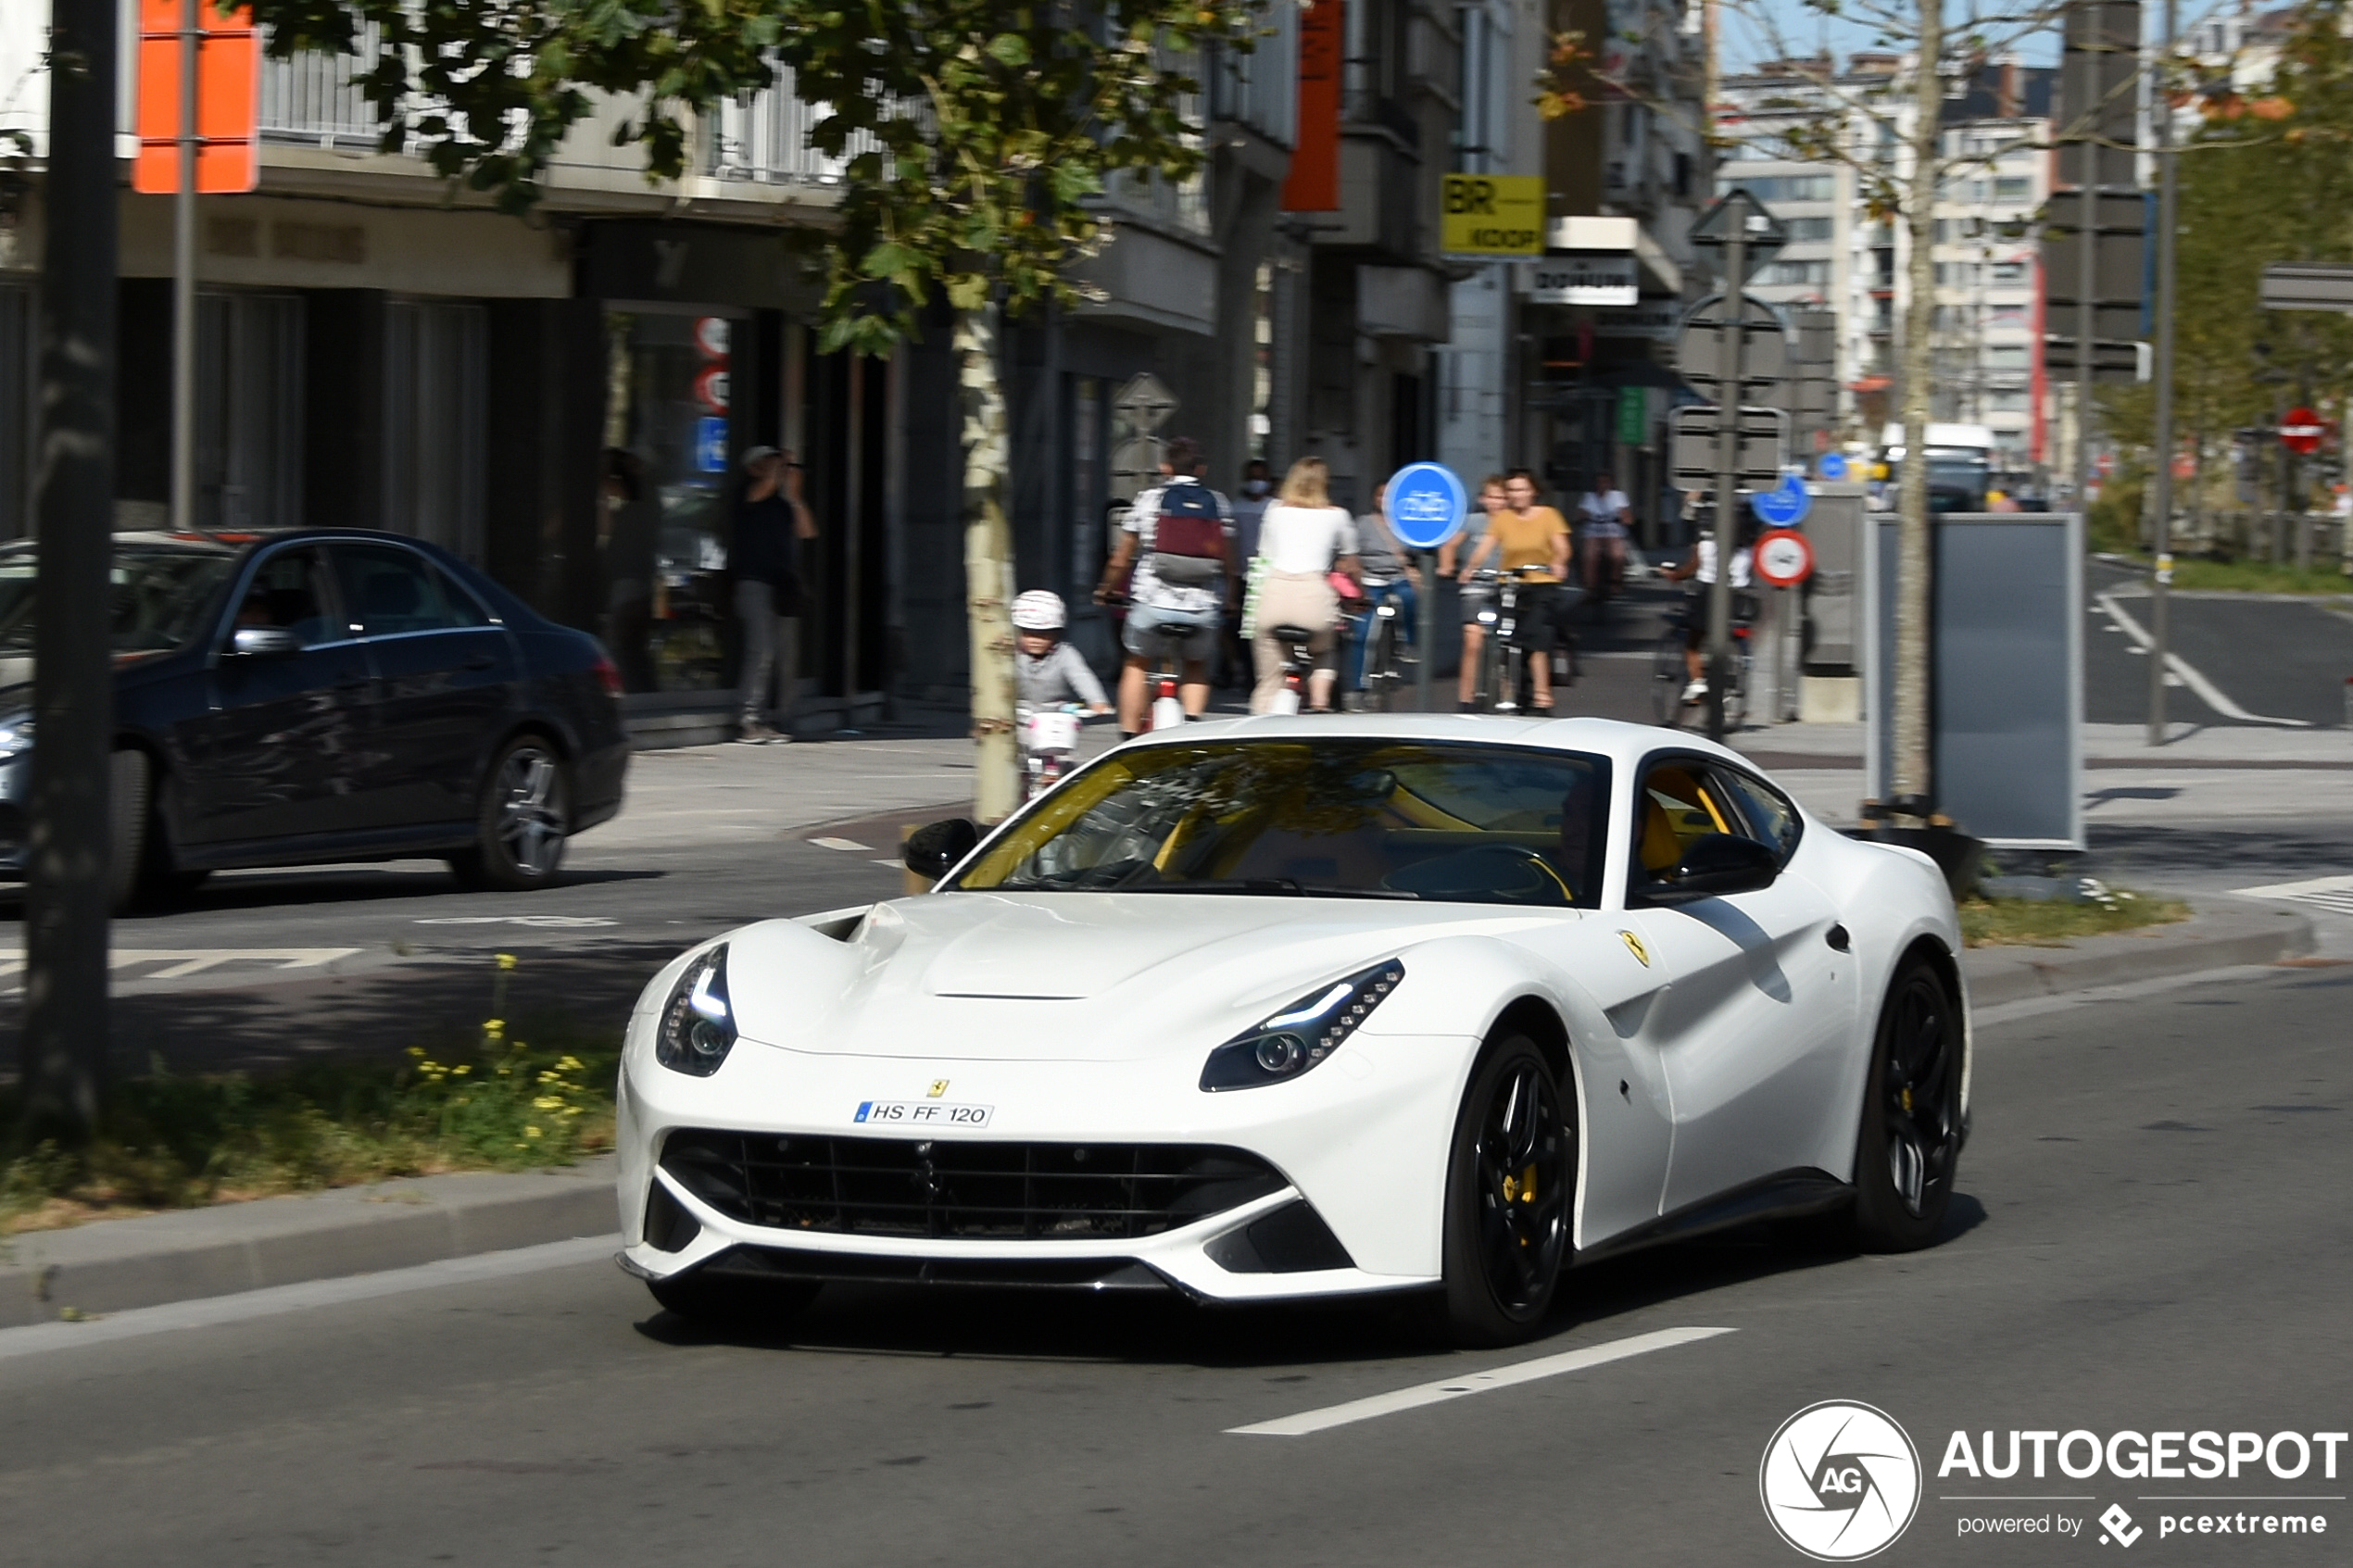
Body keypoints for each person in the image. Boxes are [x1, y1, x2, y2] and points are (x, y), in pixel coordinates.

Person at [1093, 435, 1237, 734]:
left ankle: (1128, 737)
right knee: (1196, 664)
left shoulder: (1149, 500)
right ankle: (1193, 729)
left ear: (1165, 467)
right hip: (1202, 608)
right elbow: (1230, 564)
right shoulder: (1219, 504)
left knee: (1137, 663)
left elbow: (1121, 559)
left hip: (1152, 605)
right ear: (1200, 470)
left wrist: (1106, 589)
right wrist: (1230, 599)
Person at [1248, 457, 1361, 713]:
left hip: (1273, 597)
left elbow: (1263, 555)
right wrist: (1360, 593)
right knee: (1326, 650)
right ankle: (1320, 704)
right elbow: (1351, 564)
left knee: (1269, 679)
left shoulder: (1274, 510)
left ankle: (1257, 730)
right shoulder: (1338, 516)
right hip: (1313, 599)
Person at [1457, 469, 1572, 711]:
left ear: (1534, 492)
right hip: (1510, 585)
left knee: (1535, 638)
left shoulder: (1549, 515)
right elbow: (1486, 546)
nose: (1516, 495)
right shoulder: (1503, 519)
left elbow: (1562, 547)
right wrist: (1470, 568)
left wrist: (1559, 562)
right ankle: (1508, 692)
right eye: (1512, 490)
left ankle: (1542, 697)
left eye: (1521, 489)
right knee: (1505, 637)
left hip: (1541, 584)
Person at [731, 445, 817, 743]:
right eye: (767, 463)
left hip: (780, 588)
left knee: (775, 654)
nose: (777, 470)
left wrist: (794, 495)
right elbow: (763, 487)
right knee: (761, 650)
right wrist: (780, 465)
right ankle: (747, 719)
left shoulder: (782, 504)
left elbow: (807, 531)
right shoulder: (747, 493)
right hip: (753, 583)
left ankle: (766, 718)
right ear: (753, 468)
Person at [1659, 502, 1758, 705]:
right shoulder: (1749, 550)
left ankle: (1697, 684)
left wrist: (1674, 575)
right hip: (1738, 600)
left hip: (1708, 597)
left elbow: (1690, 569)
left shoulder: (1707, 546)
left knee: (1693, 641)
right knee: (1725, 636)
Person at [1345, 479, 1419, 702]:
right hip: (1371, 580)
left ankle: (1407, 644)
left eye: (1389, 496)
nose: (1384, 500)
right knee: (1363, 632)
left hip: (1398, 577)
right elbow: (1353, 553)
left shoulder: (1406, 523)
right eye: (1380, 495)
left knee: (1408, 597)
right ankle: (1359, 686)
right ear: (1374, 499)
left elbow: (1418, 550)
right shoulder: (1363, 523)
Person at [1444, 474, 1508, 709]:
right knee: (1473, 642)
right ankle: (1466, 698)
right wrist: (1448, 565)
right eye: (1492, 497)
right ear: (1483, 499)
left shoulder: (1513, 522)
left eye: (1501, 498)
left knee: (1506, 643)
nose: (1496, 502)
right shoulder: (1472, 521)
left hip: (1505, 585)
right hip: (1476, 585)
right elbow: (1450, 544)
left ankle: (1506, 694)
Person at [600, 448, 661, 693]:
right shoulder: (644, 507)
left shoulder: (637, 509)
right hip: (639, 582)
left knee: (620, 645)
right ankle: (644, 691)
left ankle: (627, 693)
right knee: (633, 647)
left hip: (629, 583)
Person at [1011, 590, 1112, 713]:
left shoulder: (1065, 653)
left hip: (1056, 713)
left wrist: (1097, 701)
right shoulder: (1011, 653)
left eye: (1044, 635)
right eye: (1028, 634)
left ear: (1056, 633)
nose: (1035, 640)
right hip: (1018, 712)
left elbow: (1081, 676)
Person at [1576, 470, 1633, 602]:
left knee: (1618, 554)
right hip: (1593, 531)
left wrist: (1624, 518)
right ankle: (1589, 588)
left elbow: (1627, 516)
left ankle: (1615, 582)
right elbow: (1580, 513)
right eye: (1599, 482)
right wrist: (1583, 516)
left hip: (1613, 531)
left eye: (1605, 481)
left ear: (1610, 483)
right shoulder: (1589, 497)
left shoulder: (1618, 496)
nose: (1602, 485)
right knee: (1589, 556)